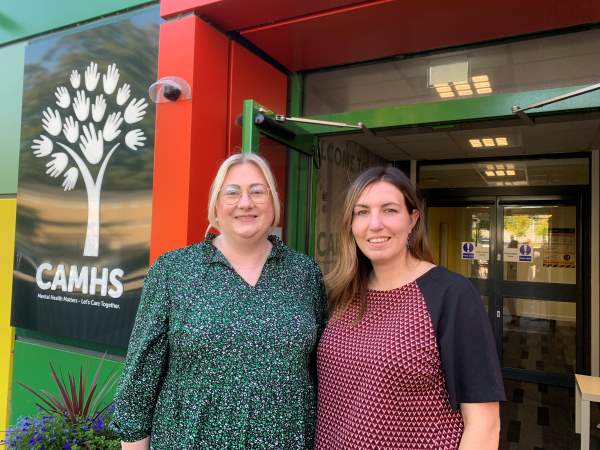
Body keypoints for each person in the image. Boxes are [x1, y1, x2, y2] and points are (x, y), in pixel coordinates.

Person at [110, 153, 326, 449]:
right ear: (215, 205)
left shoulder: (304, 273)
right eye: (232, 192)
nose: (245, 203)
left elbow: (321, 371)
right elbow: (141, 376)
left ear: (274, 202)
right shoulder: (174, 270)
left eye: (258, 191)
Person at [315, 166, 505, 449]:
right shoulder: (340, 293)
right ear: (351, 224)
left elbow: (484, 423)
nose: (375, 224)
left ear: (412, 219)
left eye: (390, 210)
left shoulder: (451, 295)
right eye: (362, 212)